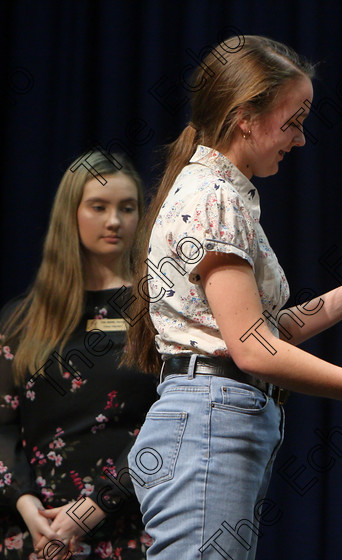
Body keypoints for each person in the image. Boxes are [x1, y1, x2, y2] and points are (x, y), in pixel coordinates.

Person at [118, 35, 342, 560]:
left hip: (219, 419)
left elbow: (255, 331)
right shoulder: (213, 197)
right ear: (244, 118)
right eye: (293, 121)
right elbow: (253, 350)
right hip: (210, 422)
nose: (300, 139)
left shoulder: (221, 192)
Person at [0, 150, 157, 559]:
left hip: (133, 527)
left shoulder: (159, 313)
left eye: (127, 208)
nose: (114, 221)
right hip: (40, 533)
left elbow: (172, 428)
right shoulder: (20, 320)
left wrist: (94, 507)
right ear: (71, 213)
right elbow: (2, 425)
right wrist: (26, 504)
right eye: (98, 207)